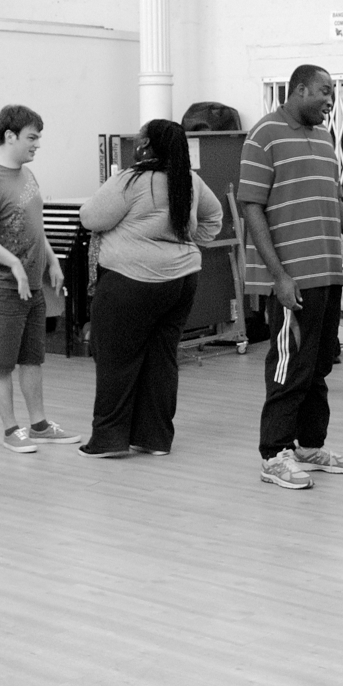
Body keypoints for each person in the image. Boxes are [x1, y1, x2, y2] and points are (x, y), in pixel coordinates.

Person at [240, 64, 343, 490]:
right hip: (293, 278)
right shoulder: (263, 136)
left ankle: (308, 445)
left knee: (319, 365)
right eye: (324, 92)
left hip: (327, 272)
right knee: (290, 365)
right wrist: (279, 276)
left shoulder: (324, 140)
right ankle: (274, 454)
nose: (330, 101)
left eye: (333, 94)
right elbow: (251, 207)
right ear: (299, 89)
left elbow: (334, 204)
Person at [77, 119, 223, 458]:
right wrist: (182, 243)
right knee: (162, 360)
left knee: (117, 360)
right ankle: (154, 439)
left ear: (147, 146)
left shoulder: (130, 180)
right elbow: (214, 218)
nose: (136, 145)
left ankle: (109, 441)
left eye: (140, 140)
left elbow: (91, 218)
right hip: (182, 281)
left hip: (131, 282)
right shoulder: (189, 180)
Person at [0, 104, 81, 453]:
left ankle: (40, 425)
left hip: (31, 284)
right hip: (0, 285)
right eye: (32, 137)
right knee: (2, 363)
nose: (37, 144)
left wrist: (52, 261)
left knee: (32, 358)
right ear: (10, 136)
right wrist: (12, 262)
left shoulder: (28, 177)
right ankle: (11, 430)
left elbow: (34, 225)